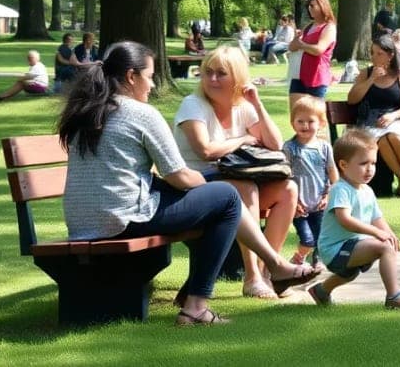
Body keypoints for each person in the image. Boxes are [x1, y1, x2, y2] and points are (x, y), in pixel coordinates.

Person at [58, 41, 315, 325]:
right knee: (228, 197)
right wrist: (210, 180)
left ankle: (272, 268)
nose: (153, 86)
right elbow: (178, 176)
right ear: (131, 77)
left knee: (223, 192)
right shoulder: (141, 113)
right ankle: (198, 305)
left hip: (84, 220)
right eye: (150, 77)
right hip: (123, 218)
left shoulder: (85, 111)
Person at [172, 47, 309, 300]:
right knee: (244, 187)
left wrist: (257, 103)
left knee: (288, 190)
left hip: (233, 183)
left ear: (237, 78)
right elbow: (206, 151)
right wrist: (244, 138)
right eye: (208, 73)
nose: (212, 79)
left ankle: (267, 273)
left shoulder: (242, 106)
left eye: (221, 74)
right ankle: (252, 278)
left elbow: (274, 143)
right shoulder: (193, 105)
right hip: (195, 187)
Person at [308, 129, 400, 309]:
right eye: (363, 163)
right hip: (335, 250)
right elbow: (345, 219)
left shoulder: (366, 190)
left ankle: (321, 291)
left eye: (373, 163)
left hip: (352, 244)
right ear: (344, 165)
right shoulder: (341, 189)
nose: (370, 169)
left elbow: (377, 217)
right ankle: (394, 296)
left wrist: (389, 233)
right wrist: (377, 233)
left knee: (350, 273)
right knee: (383, 248)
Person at [347, 36, 400, 198]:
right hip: (370, 122)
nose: (374, 57)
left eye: (379, 53)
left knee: (392, 135)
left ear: (390, 55)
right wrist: (371, 79)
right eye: (372, 53)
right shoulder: (366, 74)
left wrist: (393, 116)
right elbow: (352, 99)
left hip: (398, 119)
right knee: (382, 139)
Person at [283, 95, 338, 273]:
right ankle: (298, 258)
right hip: (298, 205)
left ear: (321, 123)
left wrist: (330, 195)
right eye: (300, 121)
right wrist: (293, 201)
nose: (305, 125)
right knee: (307, 239)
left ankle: (318, 259)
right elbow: (284, 175)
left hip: (320, 202)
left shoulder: (324, 147)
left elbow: (331, 171)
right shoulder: (289, 148)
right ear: (293, 123)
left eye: (310, 121)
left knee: (321, 236)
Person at [289, 0, 337, 105]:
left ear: (322, 6)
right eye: (308, 6)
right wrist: (296, 41)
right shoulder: (309, 26)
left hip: (317, 78)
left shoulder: (329, 27)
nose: (309, 8)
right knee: (296, 114)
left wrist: (301, 45)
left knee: (314, 115)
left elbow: (319, 50)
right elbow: (292, 47)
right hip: (299, 76)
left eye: (312, 5)